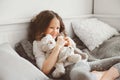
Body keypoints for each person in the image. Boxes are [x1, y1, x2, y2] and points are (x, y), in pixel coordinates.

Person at [28, 10, 120, 80]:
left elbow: (76, 54)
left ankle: (101, 75)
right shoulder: (38, 44)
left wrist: (71, 45)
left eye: (57, 28)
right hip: (71, 69)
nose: (55, 32)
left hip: (83, 63)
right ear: (42, 27)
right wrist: (58, 47)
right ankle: (100, 75)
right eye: (51, 28)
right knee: (83, 76)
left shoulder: (60, 38)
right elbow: (45, 69)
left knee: (118, 60)